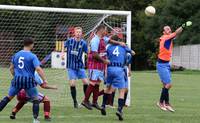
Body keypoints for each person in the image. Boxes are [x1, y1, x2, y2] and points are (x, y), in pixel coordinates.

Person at [0, 37, 49, 123]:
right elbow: (38, 69)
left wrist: (16, 76)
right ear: (31, 45)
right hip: (28, 81)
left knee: (8, 98)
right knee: (35, 99)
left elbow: (11, 68)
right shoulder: (32, 56)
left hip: (17, 80)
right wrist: (44, 79)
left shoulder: (16, 54)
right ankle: (35, 119)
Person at [81, 25, 126, 110]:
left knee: (97, 83)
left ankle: (94, 102)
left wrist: (119, 43)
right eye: (105, 30)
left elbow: (110, 40)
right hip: (94, 65)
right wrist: (104, 61)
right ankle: (85, 100)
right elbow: (94, 54)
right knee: (92, 83)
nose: (106, 32)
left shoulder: (102, 38)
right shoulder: (95, 40)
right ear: (101, 30)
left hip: (100, 65)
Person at [156, 21, 192, 112]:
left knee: (165, 85)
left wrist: (177, 32)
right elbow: (176, 32)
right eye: (167, 29)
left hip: (166, 64)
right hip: (161, 65)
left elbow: (175, 34)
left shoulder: (168, 38)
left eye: (169, 28)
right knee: (168, 84)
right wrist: (183, 26)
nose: (169, 29)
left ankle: (167, 103)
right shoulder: (166, 37)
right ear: (163, 32)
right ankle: (160, 102)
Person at [100, 35, 134, 121]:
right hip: (119, 69)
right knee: (122, 90)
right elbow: (132, 53)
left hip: (110, 68)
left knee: (107, 87)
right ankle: (119, 110)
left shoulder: (108, 47)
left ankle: (103, 105)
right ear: (119, 40)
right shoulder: (123, 46)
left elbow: (104, 56)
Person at [61, 27, 89, 108]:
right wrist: (63, 53)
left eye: (80, 32)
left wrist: (90, 54)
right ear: (74, 33)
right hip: (71, 66)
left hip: (80, 66)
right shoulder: (70, 41)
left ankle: (86, 101)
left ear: (81, 33)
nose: (78, 33)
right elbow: (64, 45)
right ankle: (75, 102)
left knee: (86, 82)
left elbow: (87, 52)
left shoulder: (83, 43)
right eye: (77, 32)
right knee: (73, 84)